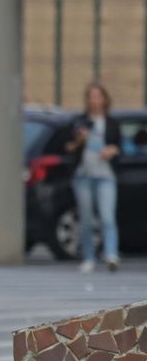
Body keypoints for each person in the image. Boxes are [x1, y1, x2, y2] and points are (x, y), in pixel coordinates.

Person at [66, 81, 121, 273]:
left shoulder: (112, 123)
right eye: (91, 96)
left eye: (98, 96)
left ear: (104, 99)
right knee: (86, 219)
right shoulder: (80, 121)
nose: (95, 100)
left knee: (107, 217)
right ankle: (89, 257)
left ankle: (111, 255)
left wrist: (112, 150)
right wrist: (79, 140)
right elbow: (68, 147)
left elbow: (119, 146)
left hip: (106, 175)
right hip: (84, 176)